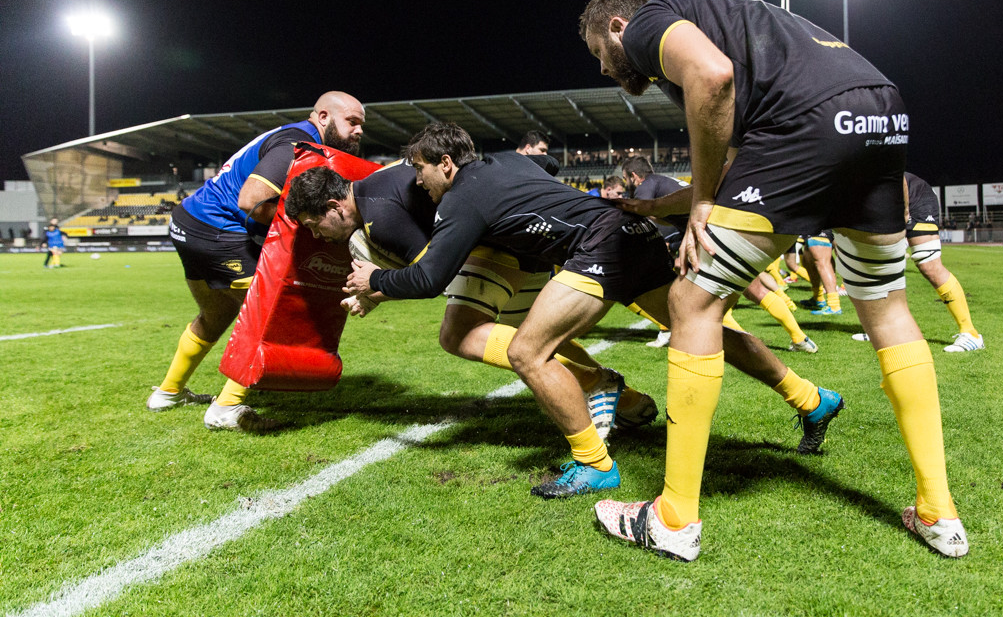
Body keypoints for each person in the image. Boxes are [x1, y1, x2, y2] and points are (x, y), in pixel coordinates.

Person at [580, 0, 966, 560]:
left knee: (691, 303)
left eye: (598, 54)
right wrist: (666, 206)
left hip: (807, 123)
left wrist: (704, 202)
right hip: (879, 109)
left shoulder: (645, 23)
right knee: (888, 309)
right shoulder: (730, 21)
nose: (607, 69)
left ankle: (673, 518)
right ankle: (939, 513)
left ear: (614, 27)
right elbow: (741, 154)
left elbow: (711, 77)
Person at [342, 123, 843, 507]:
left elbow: (429, 280)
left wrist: (375, 281)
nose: (418, 180)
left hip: (598, 246)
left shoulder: (460, 199)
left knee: (527, 351)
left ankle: (593, 463)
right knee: (702, 327)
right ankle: (811, 398)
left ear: (445, 163)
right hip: (626, 234)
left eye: (421, 169)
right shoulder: (508, 162)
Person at [283, 157, 658, 437]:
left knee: (459, 332)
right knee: (533, 333)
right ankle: (626, 400)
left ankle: (596, 384)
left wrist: (375, 290)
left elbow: (428, 278)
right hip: (523, 238)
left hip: (499, 245)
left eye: (315, 225)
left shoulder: (378, 217)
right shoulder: (376, 185)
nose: (317, 236)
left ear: (334, 207)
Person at [148, 91, 366, 431]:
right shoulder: (298, 142)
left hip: (188, 223)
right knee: (273, 313)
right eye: (352, 121)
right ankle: (226, 408)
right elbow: (252, 199)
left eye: (361, 125)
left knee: (217, 314)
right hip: (216, 228)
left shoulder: (294, 137)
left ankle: (168, 393)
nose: (359, 131)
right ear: (323, 117)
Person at [904, 173, 985, 352]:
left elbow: (893, 173)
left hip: (912, 196)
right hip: (883, 201)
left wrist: (903, 212)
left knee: (929, 265)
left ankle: (970, 333)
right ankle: (884, 326)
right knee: (880, 264)